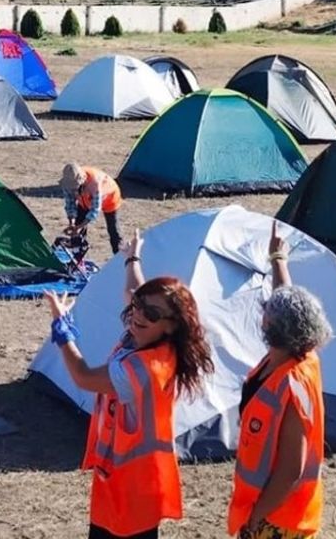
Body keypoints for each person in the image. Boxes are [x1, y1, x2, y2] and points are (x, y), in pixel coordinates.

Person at [44, 229, 215, 539]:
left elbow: (83, 377)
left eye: (150, 312)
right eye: (137, 306)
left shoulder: (144, 368)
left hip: (133, 487)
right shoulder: (151, 337)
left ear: (171, 325)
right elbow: (134, 291)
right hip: (123, 481)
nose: (137, 314)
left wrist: (62, 330)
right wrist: (132, 257)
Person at [227, 221, 332, 539]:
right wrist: (278, 259)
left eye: (267, 311)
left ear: (278, 328)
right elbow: (285, 298)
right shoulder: (298, 349)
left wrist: (256, 518)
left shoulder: (293, 385)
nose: (263, 312)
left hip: (280, 519)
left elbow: (291, 469)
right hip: (271, 509)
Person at [61, 163, 123, 254]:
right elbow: (70, 204)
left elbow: (94, 210)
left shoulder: (94, 183)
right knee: (78, 225)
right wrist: (72, 223)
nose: (73, 191)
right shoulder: (68, 183)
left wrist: (80, 227)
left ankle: (119, 258)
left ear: (82, 182)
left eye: (75, 188)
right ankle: (76, 254)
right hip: (86, 201)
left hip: (111, 198)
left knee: (113, 231)